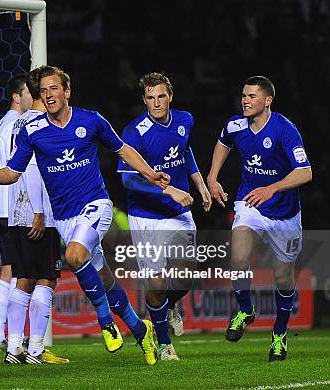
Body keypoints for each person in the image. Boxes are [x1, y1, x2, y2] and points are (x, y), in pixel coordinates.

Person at [0, 65, 170, 365]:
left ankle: (105, 321)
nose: (48, 94)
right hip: (64, 218)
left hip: (95, 205)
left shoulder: (90, 120)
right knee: (103, 279)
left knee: (75, 256)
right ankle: (142, 331)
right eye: (44, 90)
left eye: (54, 88)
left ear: (67, 91)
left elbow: (122, 149)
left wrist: (151, 174)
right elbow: (13, 172)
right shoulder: (32, 131)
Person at [207, 76, 312, 361]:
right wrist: (212, 177)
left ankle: (279, 334)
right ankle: (245, 309)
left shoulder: (285, 130)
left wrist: (273, 187)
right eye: (243, 95)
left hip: (285, 213)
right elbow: (222, 143)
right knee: (238, 256)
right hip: (250, 203)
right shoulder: (235, 125)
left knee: (283, 277)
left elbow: (306, 172)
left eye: (252, 96)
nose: (245, 100)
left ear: (267, 101)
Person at [118, 72, 211, 361]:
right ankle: (164, 342)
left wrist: (199, 183)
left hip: (179, 211)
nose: (156, 103)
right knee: (156, 285)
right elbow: (127, 180)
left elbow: (185, 151)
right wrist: (167, 190)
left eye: (160, 96)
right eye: (150, 98)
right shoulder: (134, 132)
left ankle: (170, 307)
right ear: (144, 100)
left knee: (186, 275)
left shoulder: (185, 120)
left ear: (170, 95)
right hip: (147, 216)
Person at [4, 66, 68, 364]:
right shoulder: (40, 124)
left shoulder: (19, 122)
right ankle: (36, 349)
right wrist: (40, 212)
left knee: (24, 278)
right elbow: (32, 169)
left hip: (17, 209)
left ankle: (14, 347)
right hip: (39, 211)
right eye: (46, 89)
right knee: (46, 279)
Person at [0, 74, 33, 353]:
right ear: (17, 96)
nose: (32, 97)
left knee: (10, 271)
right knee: (20, 273)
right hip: (13, 205)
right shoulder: (18, 124)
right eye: (28, 92)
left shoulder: (0, 125)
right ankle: (2, 337)